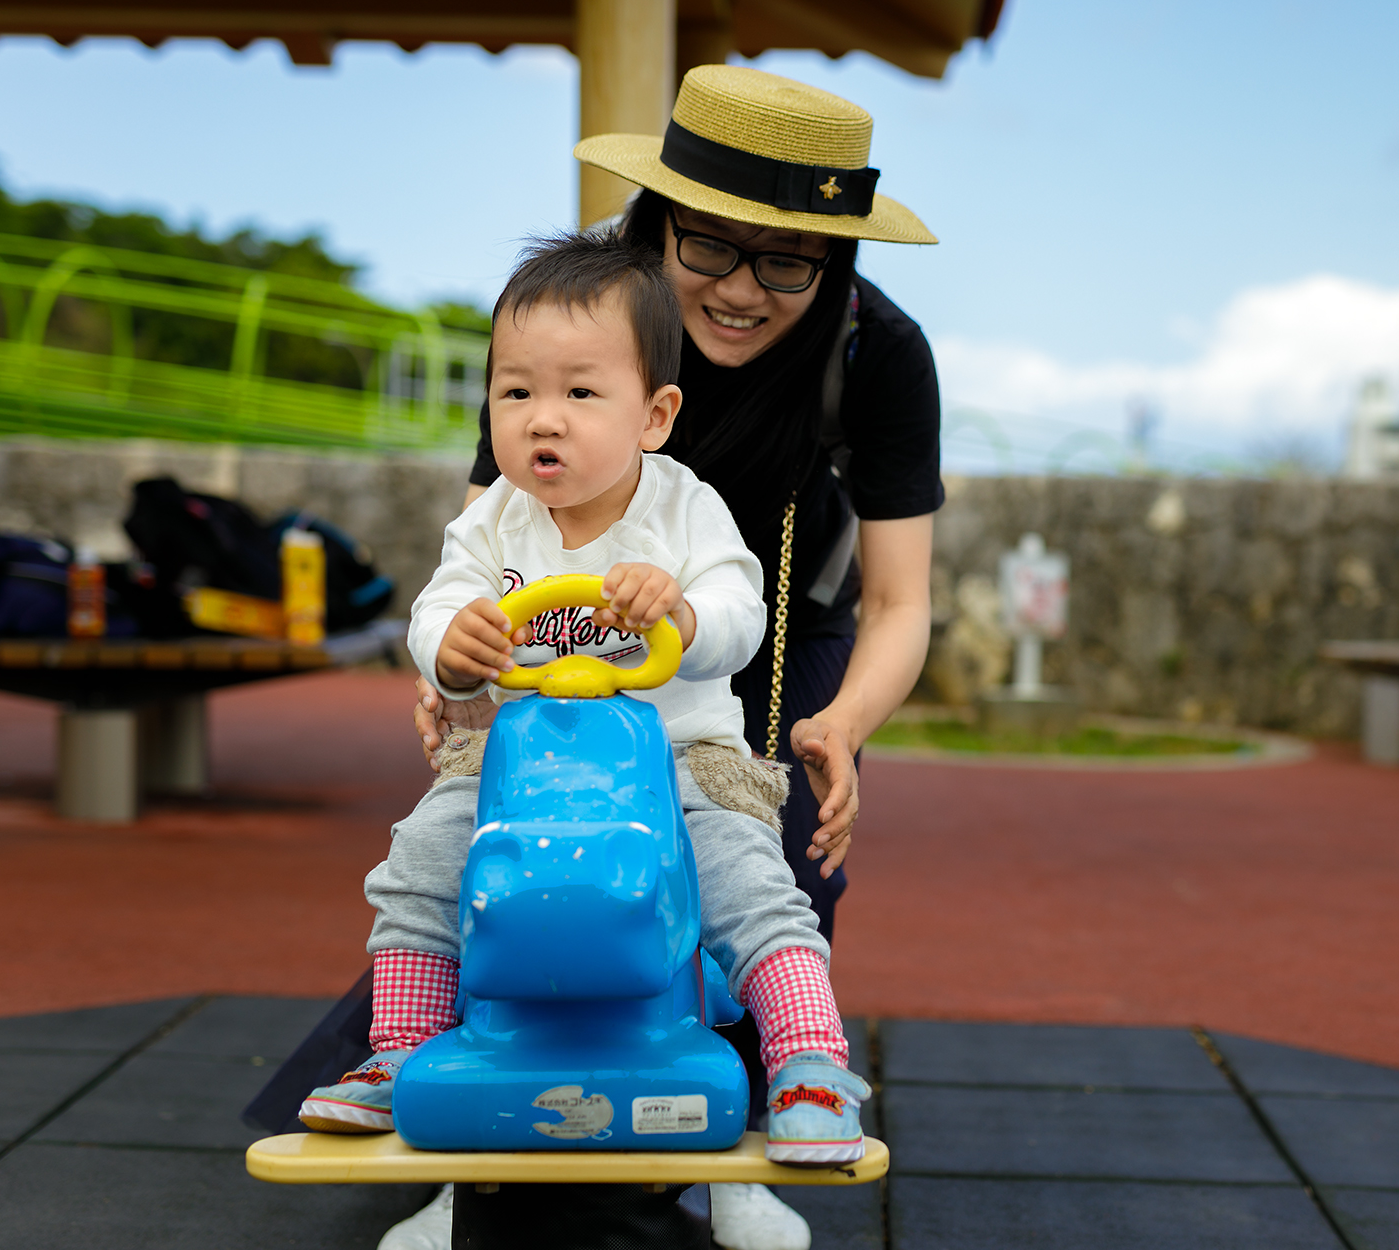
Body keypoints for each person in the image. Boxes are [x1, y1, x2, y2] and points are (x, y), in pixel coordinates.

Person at [410, 65, 941, 1250]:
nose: (744, 290)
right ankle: (476, 1135)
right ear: (658, 221)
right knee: (515, 843)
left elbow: (905, 597)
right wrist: (445, 662)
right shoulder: (572, 310)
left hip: (771, 617)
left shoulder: (878, 351)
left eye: (789, 260)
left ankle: (743, 1144)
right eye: (708, 248)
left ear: (836, 260)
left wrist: (843, 720)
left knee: (769, 868)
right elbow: (486, 520)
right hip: (566, 611)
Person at [299, 230, 870, 1168]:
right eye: (515, 391)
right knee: (423, 860)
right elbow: (437, 608)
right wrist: (451, 646)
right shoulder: (491, 521)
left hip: (680, 753)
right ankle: (399, 1049)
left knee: (749, 878)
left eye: (578, 393)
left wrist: (681, 612)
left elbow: (743, 611)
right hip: (521, 754)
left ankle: (809, 1058)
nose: (542, 419)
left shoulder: (685, 509)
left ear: (654, 414)